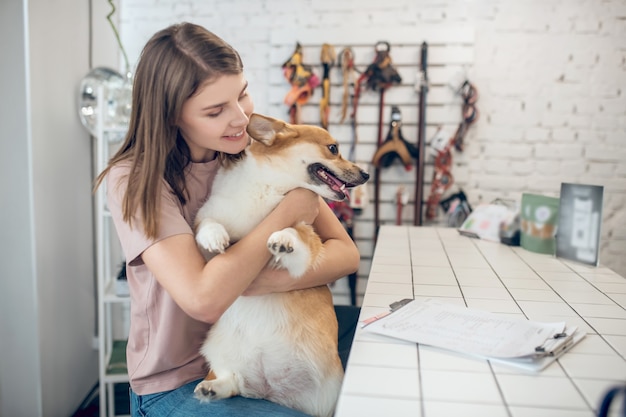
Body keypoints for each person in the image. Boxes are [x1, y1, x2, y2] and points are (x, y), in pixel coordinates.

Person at [95, 22, 361, 417]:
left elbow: (346, 255)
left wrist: (263, 281)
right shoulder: (135, 179)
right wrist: (287, 212)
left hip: (265, 341)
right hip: (179, 380)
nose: (240, 119)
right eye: (216, 110)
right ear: (171, 116)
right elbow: (205, 300)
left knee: (385, 341)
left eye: (242, 94)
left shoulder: (254, 150)